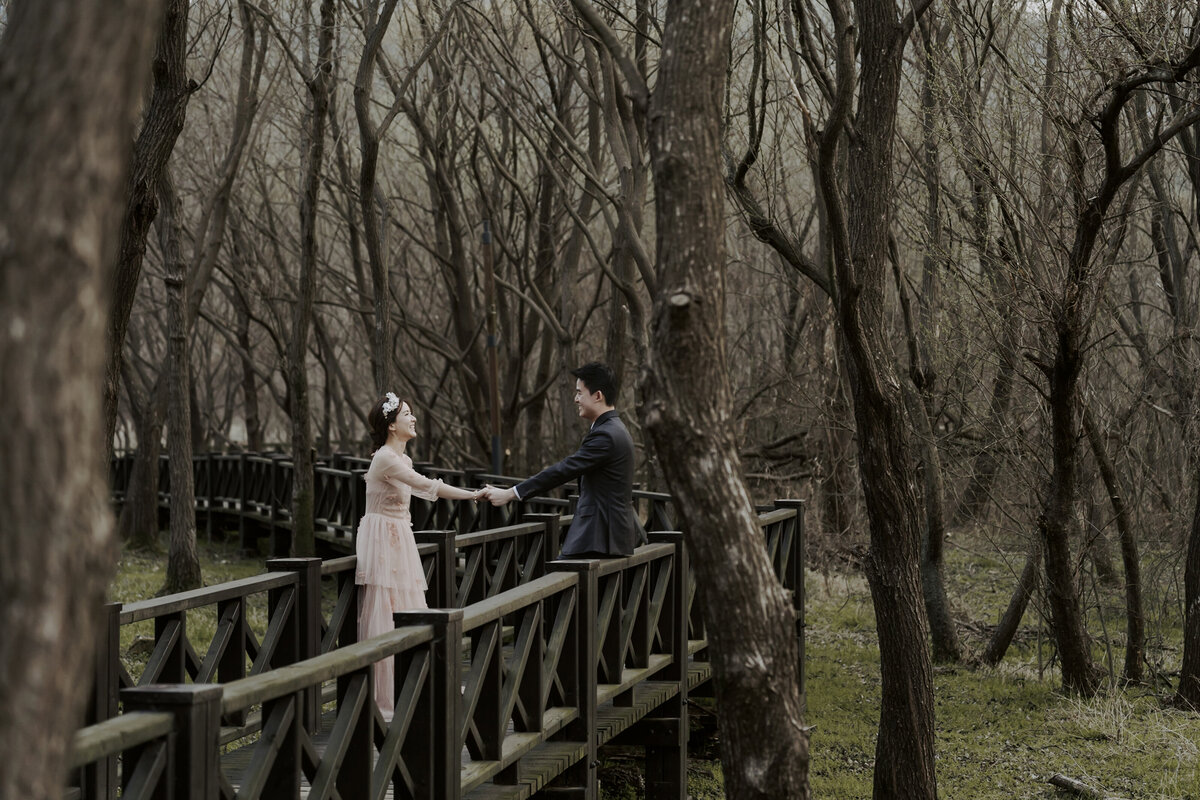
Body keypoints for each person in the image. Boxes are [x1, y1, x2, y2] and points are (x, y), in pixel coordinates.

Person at [356, 392, 480, 717]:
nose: (413, 419)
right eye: (407, 414)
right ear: (391, 425)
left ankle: (415, 683)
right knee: (386, 612)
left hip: (400, 539)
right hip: (383, 541)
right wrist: (471, 495)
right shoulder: (384, 458)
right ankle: (388, 695)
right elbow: (428, 486)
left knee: (410, 609)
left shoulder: (402, 459)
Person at [481, 362, 642, 558]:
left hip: (599, 538)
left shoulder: (606, 435)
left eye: (580, 393)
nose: (576, 399)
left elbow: (563, 470)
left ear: (598, 395)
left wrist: (511, 493)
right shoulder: (614, 429)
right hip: (607, 537)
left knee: (553, 584)